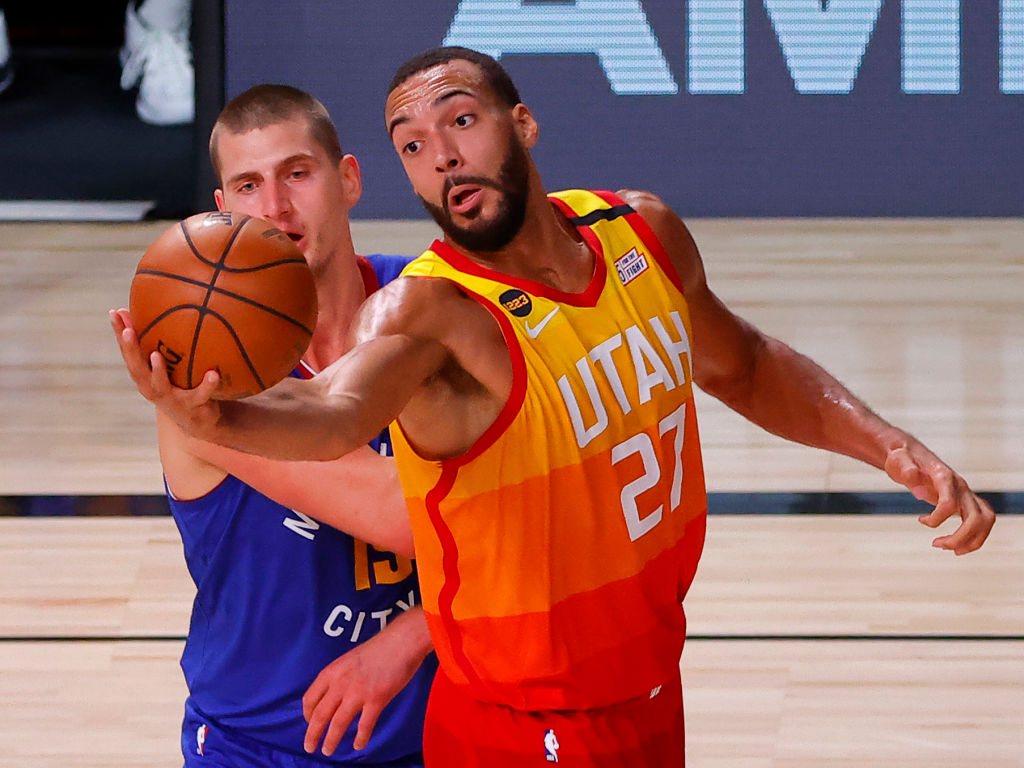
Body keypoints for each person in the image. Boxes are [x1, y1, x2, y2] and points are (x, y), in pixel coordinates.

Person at [114, 48, 996, 766]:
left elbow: (749, 365)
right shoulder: (426, 313)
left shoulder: (639, 233)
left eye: (460, 121)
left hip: (641, 686)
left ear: (523, 124)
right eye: (413, 145)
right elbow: (342, 422)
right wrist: (210, 416)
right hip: (467, 722)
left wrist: (888, 444)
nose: (442, 155)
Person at [111, 83, 436, 766]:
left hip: (434, 738)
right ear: (221, 212)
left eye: (297, 173)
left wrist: (412, 636)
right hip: (258, 745)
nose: (276, 207)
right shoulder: (199, 375)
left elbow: (542, 517)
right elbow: (418, 516)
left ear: (348, 180)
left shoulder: (435, 312)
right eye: (248, 186)